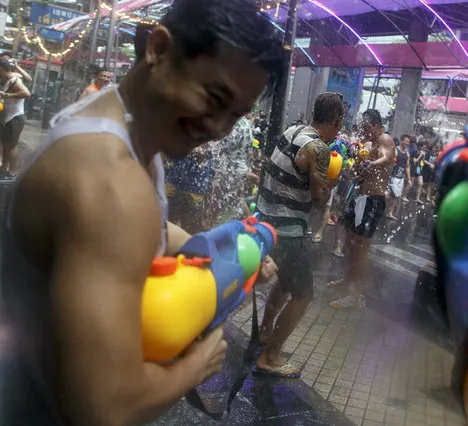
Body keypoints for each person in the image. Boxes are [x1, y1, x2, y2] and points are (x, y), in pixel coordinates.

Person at [0, 1, 287, 424]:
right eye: (214, 98)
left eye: (236, 115)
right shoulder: (111, 185)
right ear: (157, 49)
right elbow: (105, 409)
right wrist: (199, 364)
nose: (218, 128)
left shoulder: (109, 122)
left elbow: (136, 225)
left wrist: (218, 251)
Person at [255, 93, 344, 378]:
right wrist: (334, 180)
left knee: (283, 283)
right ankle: (270, 357)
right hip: (288, 228)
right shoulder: (317, 148)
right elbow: (320, 199)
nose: (340, 129)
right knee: (304, 294)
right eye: (340, 123)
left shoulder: (294, 130)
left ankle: (265, 332)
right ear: (334, 120)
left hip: (267, 222)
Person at [328, 109, 395, 308]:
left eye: (367, 128)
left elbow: (386, 157)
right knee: (349, 242)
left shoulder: (385, 139)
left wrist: (370, 163)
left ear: (375, 125)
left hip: (373, 200)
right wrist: (356, 169)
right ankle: (347, 280)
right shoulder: (369, 143)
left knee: (361, 249)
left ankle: (355, 295)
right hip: (361, 198)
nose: (364, 133)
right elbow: (361, 171)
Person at [0, 57, 30, 178]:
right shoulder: (6, 79)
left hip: (15, 118)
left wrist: (6, 95)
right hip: (9, 118)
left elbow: (26, 93)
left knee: (11, 147)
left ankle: (15, 173)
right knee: (6, 145)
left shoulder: (14, 79)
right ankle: (5, 169)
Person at [386, 134, 411, 220]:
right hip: (393, 176)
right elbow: (389, 163)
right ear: (401, 141)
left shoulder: (407, 153)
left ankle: (390, 212)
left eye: (408, 142)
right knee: (392, 195)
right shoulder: (395, 150)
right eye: (406, 141)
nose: (407, 143)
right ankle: (387, 210)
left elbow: (407, 166)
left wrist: (409, 179)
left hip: (401, 177)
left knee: (396, 196)